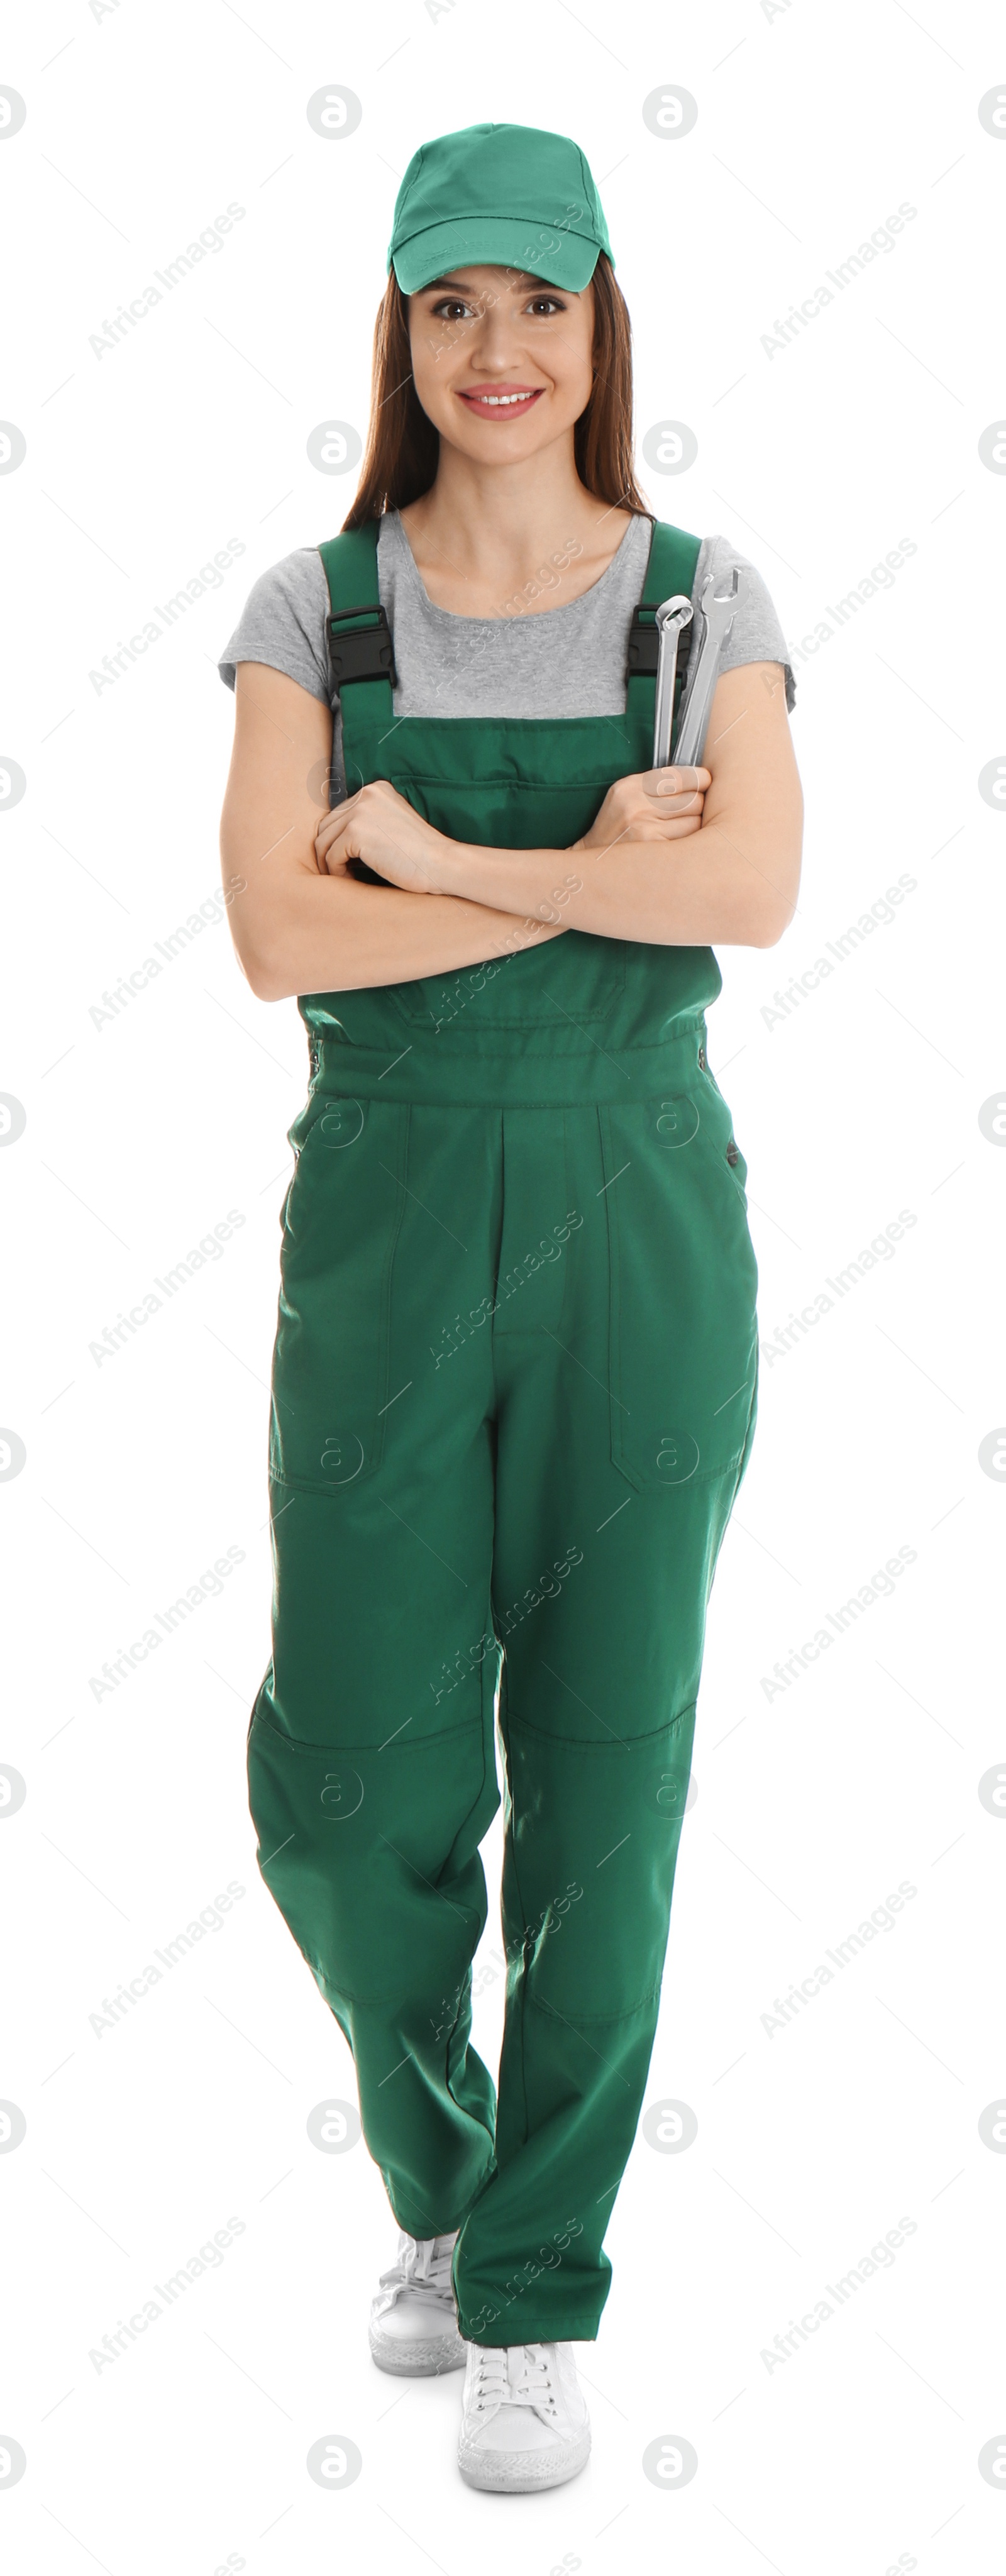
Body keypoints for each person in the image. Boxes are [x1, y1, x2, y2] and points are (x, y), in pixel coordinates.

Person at [218, 119, 802, 2496]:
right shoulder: (311, 610)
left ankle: (534, 2286)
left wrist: (439, 859)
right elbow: (278, 938)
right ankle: (446, 2177)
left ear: (600, 323)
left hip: (637, 1214)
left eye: (536, 303)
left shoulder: (702, 599)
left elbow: (750, 892)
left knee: (605, 1765)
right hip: (377, 1213)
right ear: (398, 329)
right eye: (448, 305)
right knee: (346, 1777)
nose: (495, 349)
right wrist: (587, 875)